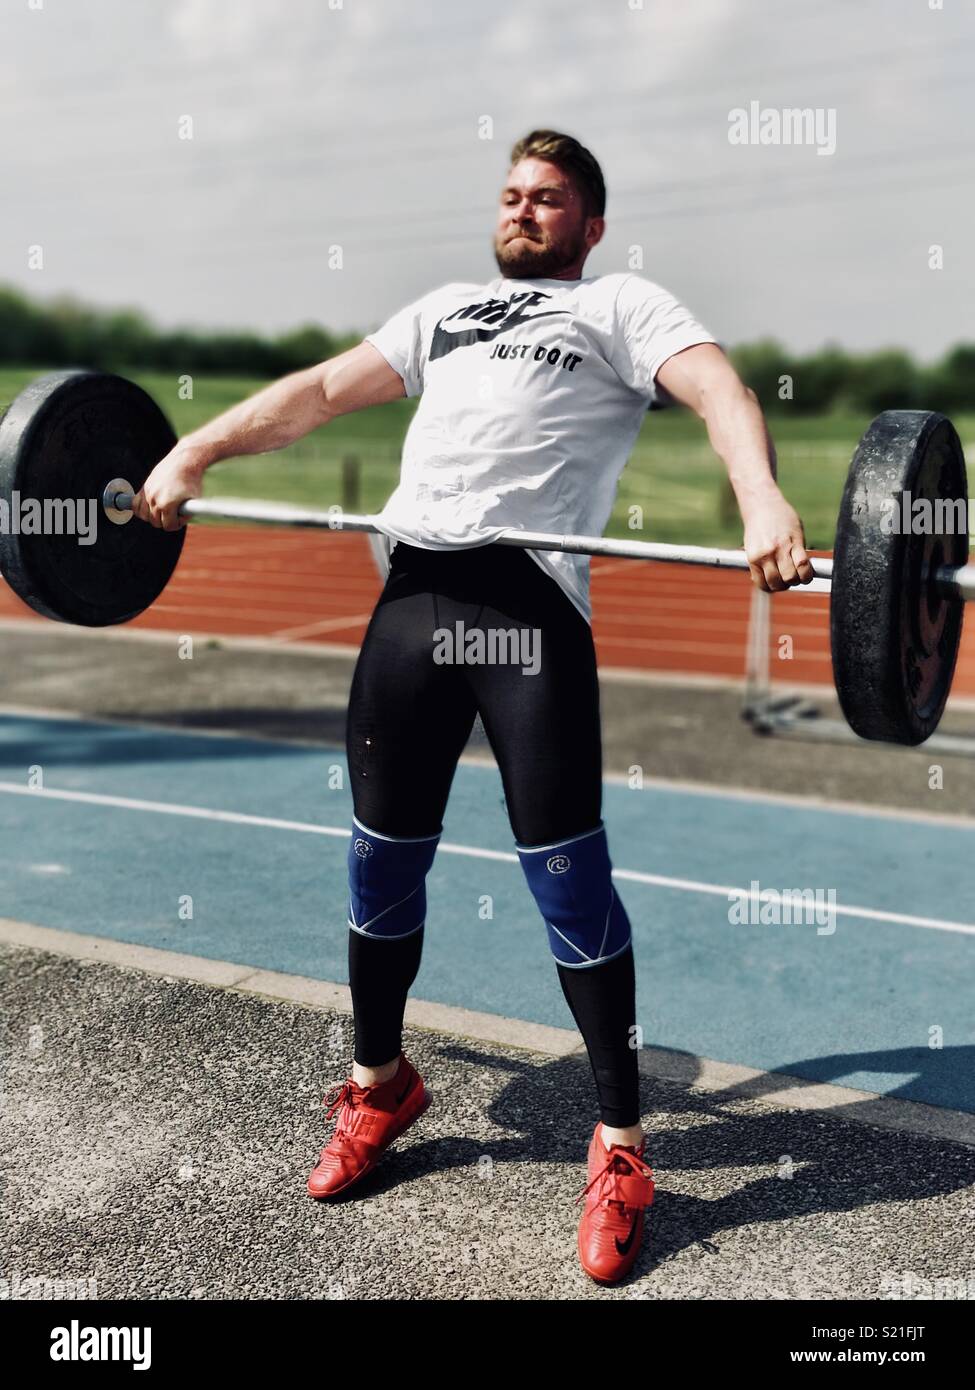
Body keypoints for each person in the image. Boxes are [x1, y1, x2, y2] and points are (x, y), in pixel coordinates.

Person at [132, 128, 815, 1285]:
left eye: (549, 199)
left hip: (527, 606)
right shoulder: (441, 308)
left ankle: (621, 1145)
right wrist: (195, 449)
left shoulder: (620, 310)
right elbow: (314, 395)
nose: (523, 210)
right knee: (380, 865)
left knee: (566, 876)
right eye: (510, 194)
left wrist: (759, 499)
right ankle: (379, 1085)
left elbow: (720, 389)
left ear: (591, 226)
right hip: (412, 604)